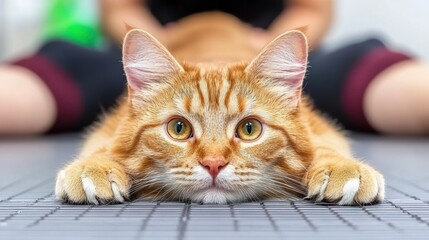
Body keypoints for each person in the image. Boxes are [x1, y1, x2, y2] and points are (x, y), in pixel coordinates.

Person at [1, 0, 429, 135]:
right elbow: (119, 9)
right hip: (163, 58)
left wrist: (268, 50)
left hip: (264, 55)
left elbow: (312, 9)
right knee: (61, 61)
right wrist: (161, 52)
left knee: (364, 60)